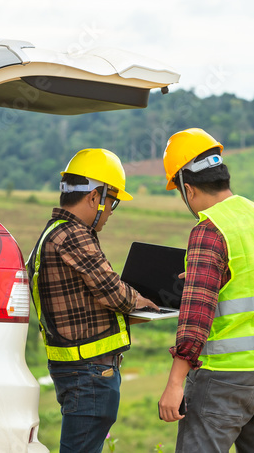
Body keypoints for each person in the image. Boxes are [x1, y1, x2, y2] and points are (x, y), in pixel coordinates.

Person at [157, 128, 254, 452]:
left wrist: (175, 383)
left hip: (226, 379)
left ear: (187, 189)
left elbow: (195, 319)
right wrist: (213, 278)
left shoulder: (209, 229)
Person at [27, 148, 159, 453]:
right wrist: (141, 299)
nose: (112, 211)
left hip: (76, 371)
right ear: (94, 197)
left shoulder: (52, 233)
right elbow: (114, 292)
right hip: (89, 374)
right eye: (112, 202)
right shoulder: (74, 235)